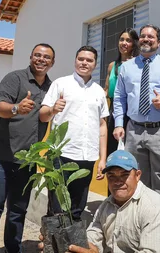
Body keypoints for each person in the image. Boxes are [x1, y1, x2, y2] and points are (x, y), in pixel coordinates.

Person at [0, 43, 55, 253]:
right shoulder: (15, 78)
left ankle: (13, 249)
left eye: (46, 57)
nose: (41, 59)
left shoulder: (51, 88)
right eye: (37, 55)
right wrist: (16, 108)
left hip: (27, 158)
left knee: (18, 210)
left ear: (52, 62)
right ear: (30, 57)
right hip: (0, 155)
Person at [38, 150, 160, 253]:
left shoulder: (154, 208)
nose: (118, 181)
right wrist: (69, 244)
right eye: (111, 176)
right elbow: (94, 237)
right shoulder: (106, 206)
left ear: (137, 176)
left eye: (124, 175)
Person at [112, 24, 160, 205]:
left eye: (151, 37)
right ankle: (138, 221)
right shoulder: (127, 67)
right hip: (133, 130)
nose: (146, 39)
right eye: (143, 36)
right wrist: (119, 123)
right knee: (135, 178)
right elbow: (119, 97)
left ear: (158, 42)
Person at [39, 45, 109, 221]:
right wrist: (53, 110)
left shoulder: (99, 91)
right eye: (81, 59)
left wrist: (103, 158)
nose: (84, 63)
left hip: (87, 156)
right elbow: (42, 116)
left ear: (95, 64)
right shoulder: (60, 84)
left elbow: (102, 125)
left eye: (89, 60)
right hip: (61, 155)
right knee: (58, 207)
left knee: (78, 207)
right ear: (75, 61)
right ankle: (55, 246)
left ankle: (72, 245)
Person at [103, 28, 139, 155]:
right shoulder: (112, 66)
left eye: (128, 40)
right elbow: (106, 90)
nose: (124, 43)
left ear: (134, 44)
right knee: (113, 149)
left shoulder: (138, 63)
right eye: (122, 39)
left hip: (132, 110)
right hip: (115, 110)